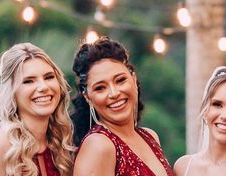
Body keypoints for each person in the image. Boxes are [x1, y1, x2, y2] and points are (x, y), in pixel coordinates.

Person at [71, 37, 174, 176]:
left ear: (134, 79)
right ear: (87, 97)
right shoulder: (98, 146)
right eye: (100, 88)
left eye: (120, 80)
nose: (114, 93)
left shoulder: (150, 136)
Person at [0, 42, 75, 176]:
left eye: (49, 77)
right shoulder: (0, 143)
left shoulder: (61, 142)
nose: (43, 87)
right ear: (12, 92)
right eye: (28, 81)